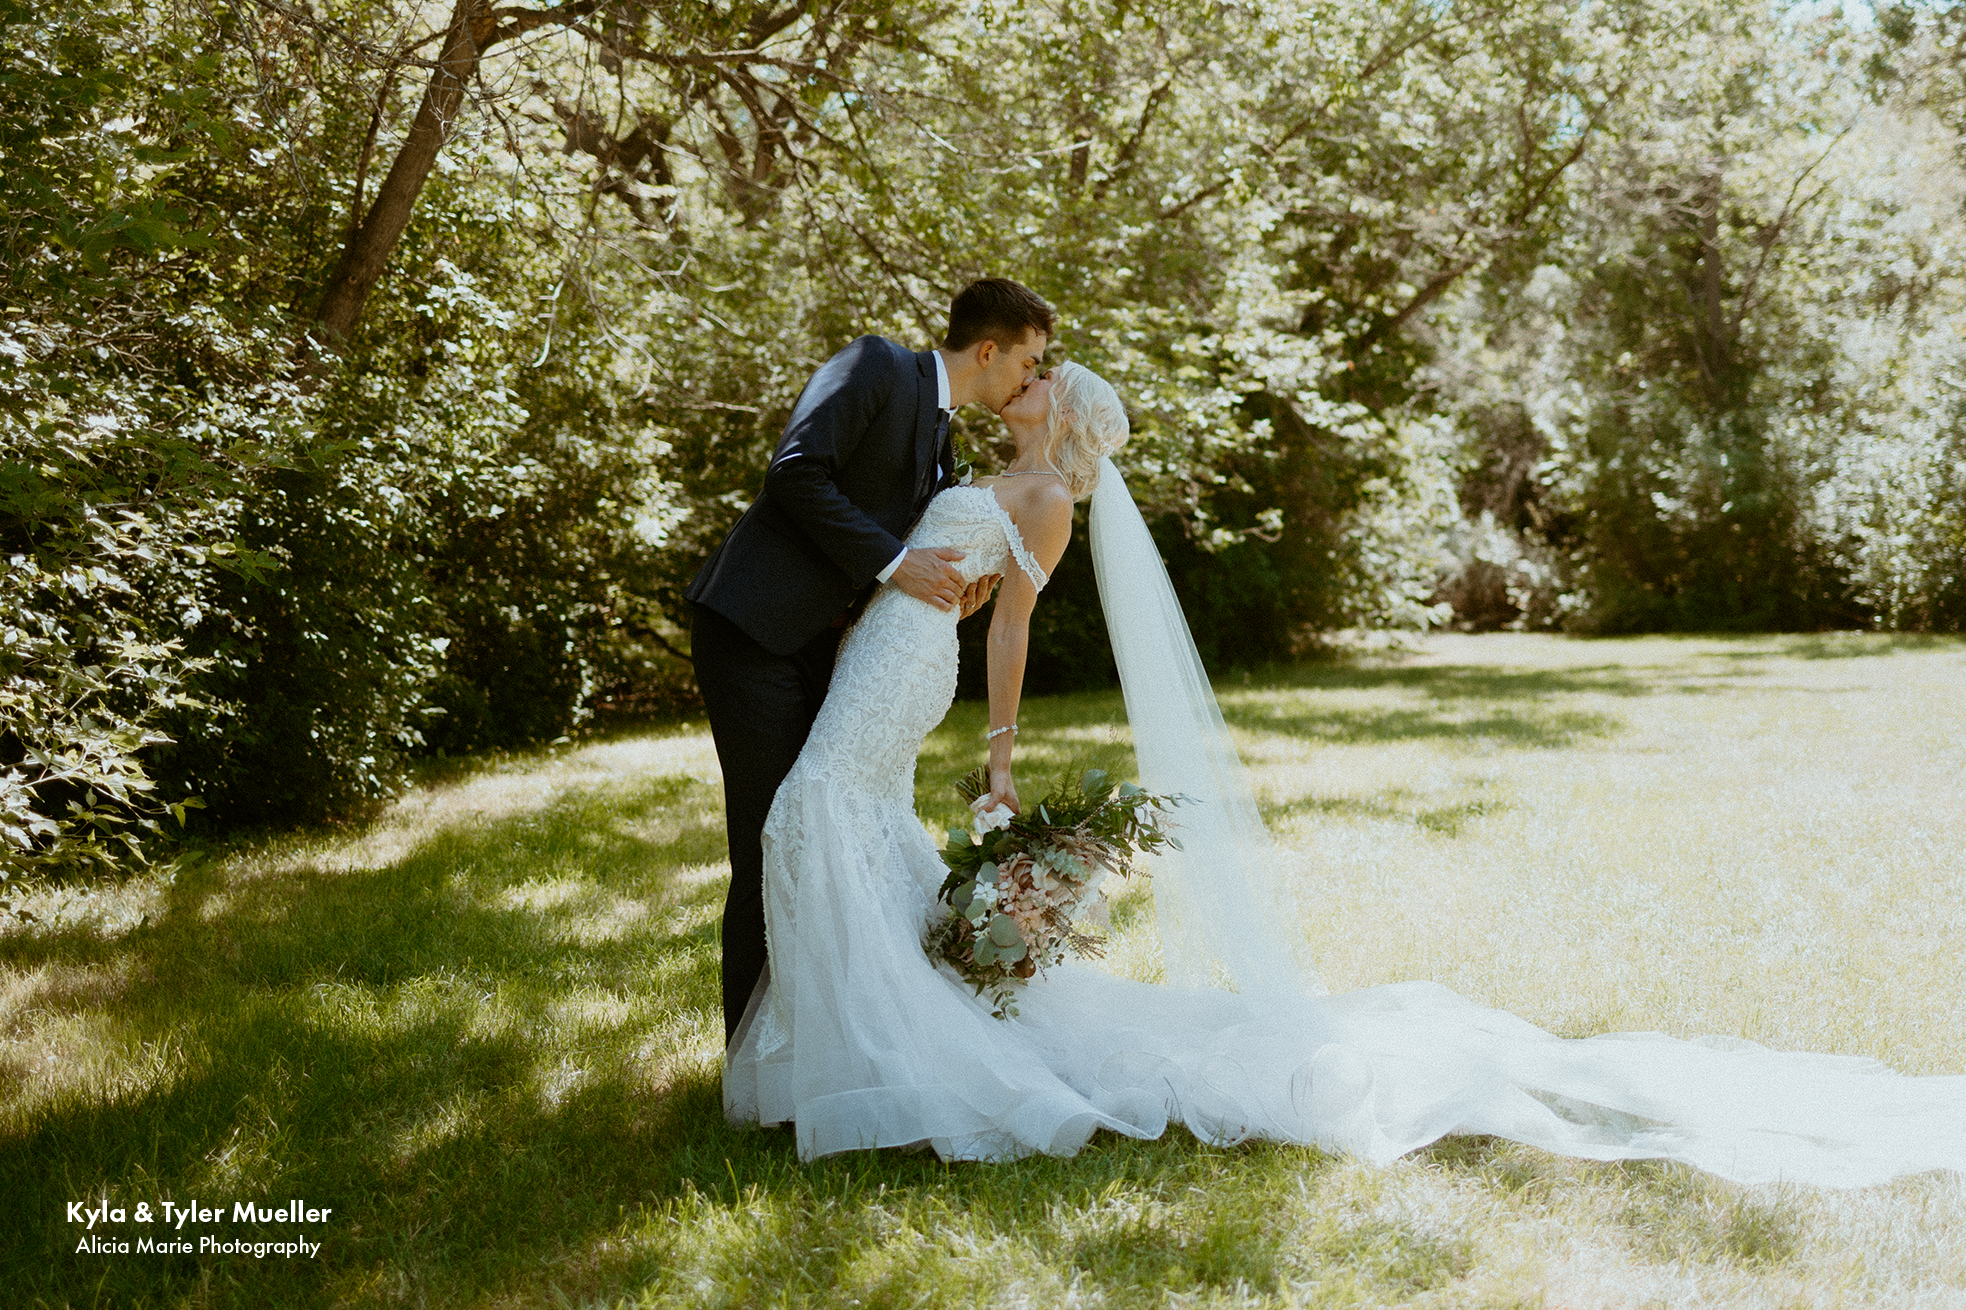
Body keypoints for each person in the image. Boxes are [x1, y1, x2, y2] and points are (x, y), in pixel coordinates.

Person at [723, 361, 1966, 1186]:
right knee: (838, 825)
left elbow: (1012, 628)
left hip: (906, 671)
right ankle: (849, 1035)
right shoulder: (974, 472)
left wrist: (1000, 754)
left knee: (813, 816)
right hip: (879, 650)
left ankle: (874, 1047)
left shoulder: (1044, 492)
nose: (1026, 378)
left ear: (1061, 415)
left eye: (1043, 374)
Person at [686, 278, 1052, 1048]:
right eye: (1029, 361)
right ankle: (751, 1059)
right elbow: (795, 472)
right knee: (771, 839)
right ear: (990, 350)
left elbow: (914, 538)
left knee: (819, 835)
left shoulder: (944, 439)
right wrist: (896, 562)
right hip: (754, 630)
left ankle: (818, 1039)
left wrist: (954, 579)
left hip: (832, 646)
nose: (1031, 379)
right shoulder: (875, 365)